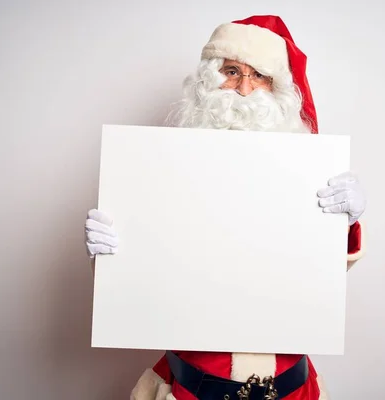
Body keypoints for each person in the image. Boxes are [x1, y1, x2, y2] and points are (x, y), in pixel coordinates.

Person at [85, 15, 366, 400]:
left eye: (259, 75)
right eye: (231, 71)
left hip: (289, 389)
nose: (244, 89)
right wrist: (111, 251)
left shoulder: (307, 171)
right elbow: (143, 275)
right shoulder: (159, 168)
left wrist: (344, 221)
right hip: (191, 389)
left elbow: (324, 271)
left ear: (277, 88)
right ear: (208, 80)